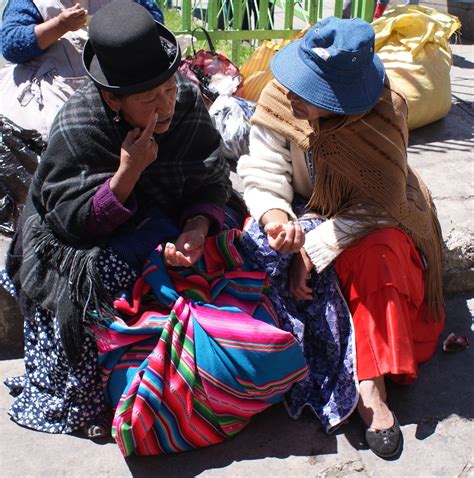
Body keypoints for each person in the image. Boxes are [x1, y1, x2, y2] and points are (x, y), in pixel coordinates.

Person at [1, 0, 307, 454]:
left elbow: (210, 176)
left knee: (242, 259)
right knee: (99, 283)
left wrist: (198, 226)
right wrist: (128, 172)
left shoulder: (183, 99)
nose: (165, 104)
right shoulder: (80, 122)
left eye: (166, 89)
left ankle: (199, 361)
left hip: (165, 225)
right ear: (112, 99)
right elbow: (69, 222)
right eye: (148, 100)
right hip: (83, 240)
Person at [238, 16, 445, 458]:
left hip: (377, 213)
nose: (293, 94)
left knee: (377, 255)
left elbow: (381, 202)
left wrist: (313, 250)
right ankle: (287, 370)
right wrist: (276, 216)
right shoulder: (281, 99)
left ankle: (372, 388)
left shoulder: (384, 111)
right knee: (256, 246)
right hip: (298, 207)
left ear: (341, 101)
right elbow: (263, 170)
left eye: (310, 92)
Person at [0, 0, 164, 139]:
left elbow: (155, 25)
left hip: (123, 90)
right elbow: (11, 45)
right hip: (57, 98)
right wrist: (59, 25)